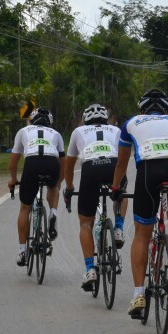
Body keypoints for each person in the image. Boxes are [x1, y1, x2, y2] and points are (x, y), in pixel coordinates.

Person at [110, 88, 168, 319]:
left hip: (149, 171)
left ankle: (138, 295)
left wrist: (116, 188)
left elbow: (122, 163)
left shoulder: (131, 123)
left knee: (142, 235)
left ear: (142, 109)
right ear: (166, 109)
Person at [63, 102, 129, 292]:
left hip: (90, 169)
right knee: (121, 193)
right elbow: (124, 157)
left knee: (85, 223)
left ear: (85, 120)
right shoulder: (115, 129)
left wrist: (69, 188)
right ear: (105, 119)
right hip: (113, 165)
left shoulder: (78, 131)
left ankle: (90, 269)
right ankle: (119, 227)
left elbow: (69, 166)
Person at [8, 107, 65, 267]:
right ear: (50, 123)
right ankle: (53, 213)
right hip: (51, 163)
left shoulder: (23, 131)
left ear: (31, 121)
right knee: (53, 188)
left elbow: (13, 162)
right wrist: (58, 182)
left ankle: (22, 252)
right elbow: (64, 163)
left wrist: (13, 179)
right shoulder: (56, 134)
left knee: (25, 207)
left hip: (32, 163)